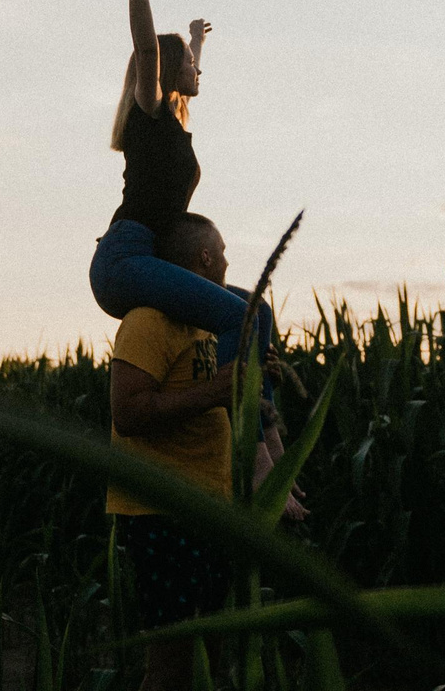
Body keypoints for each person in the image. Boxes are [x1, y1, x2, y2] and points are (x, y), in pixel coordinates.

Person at [107, 212, 307, 691]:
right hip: (163, 511)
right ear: (205, 257)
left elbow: (222, 394)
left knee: (212, 657)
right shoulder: (147, 321)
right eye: (223, 253)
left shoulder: (213, 326)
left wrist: (258, 382)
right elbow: (129, 414)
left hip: (214, 506)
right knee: (173, 664)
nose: (228, 264)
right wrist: (217, 390)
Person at [89, 0, 269, 368]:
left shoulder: (170, 119)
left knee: (258, 313)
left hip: (151, 256)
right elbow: (148, 50)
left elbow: (188, 85)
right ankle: (217, 401)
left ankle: (259, 430)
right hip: (125, 259)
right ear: (169, 70)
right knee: (238, 320)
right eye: (190, 63)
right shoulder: (148, 114)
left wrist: (196, 41)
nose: (198, 70)